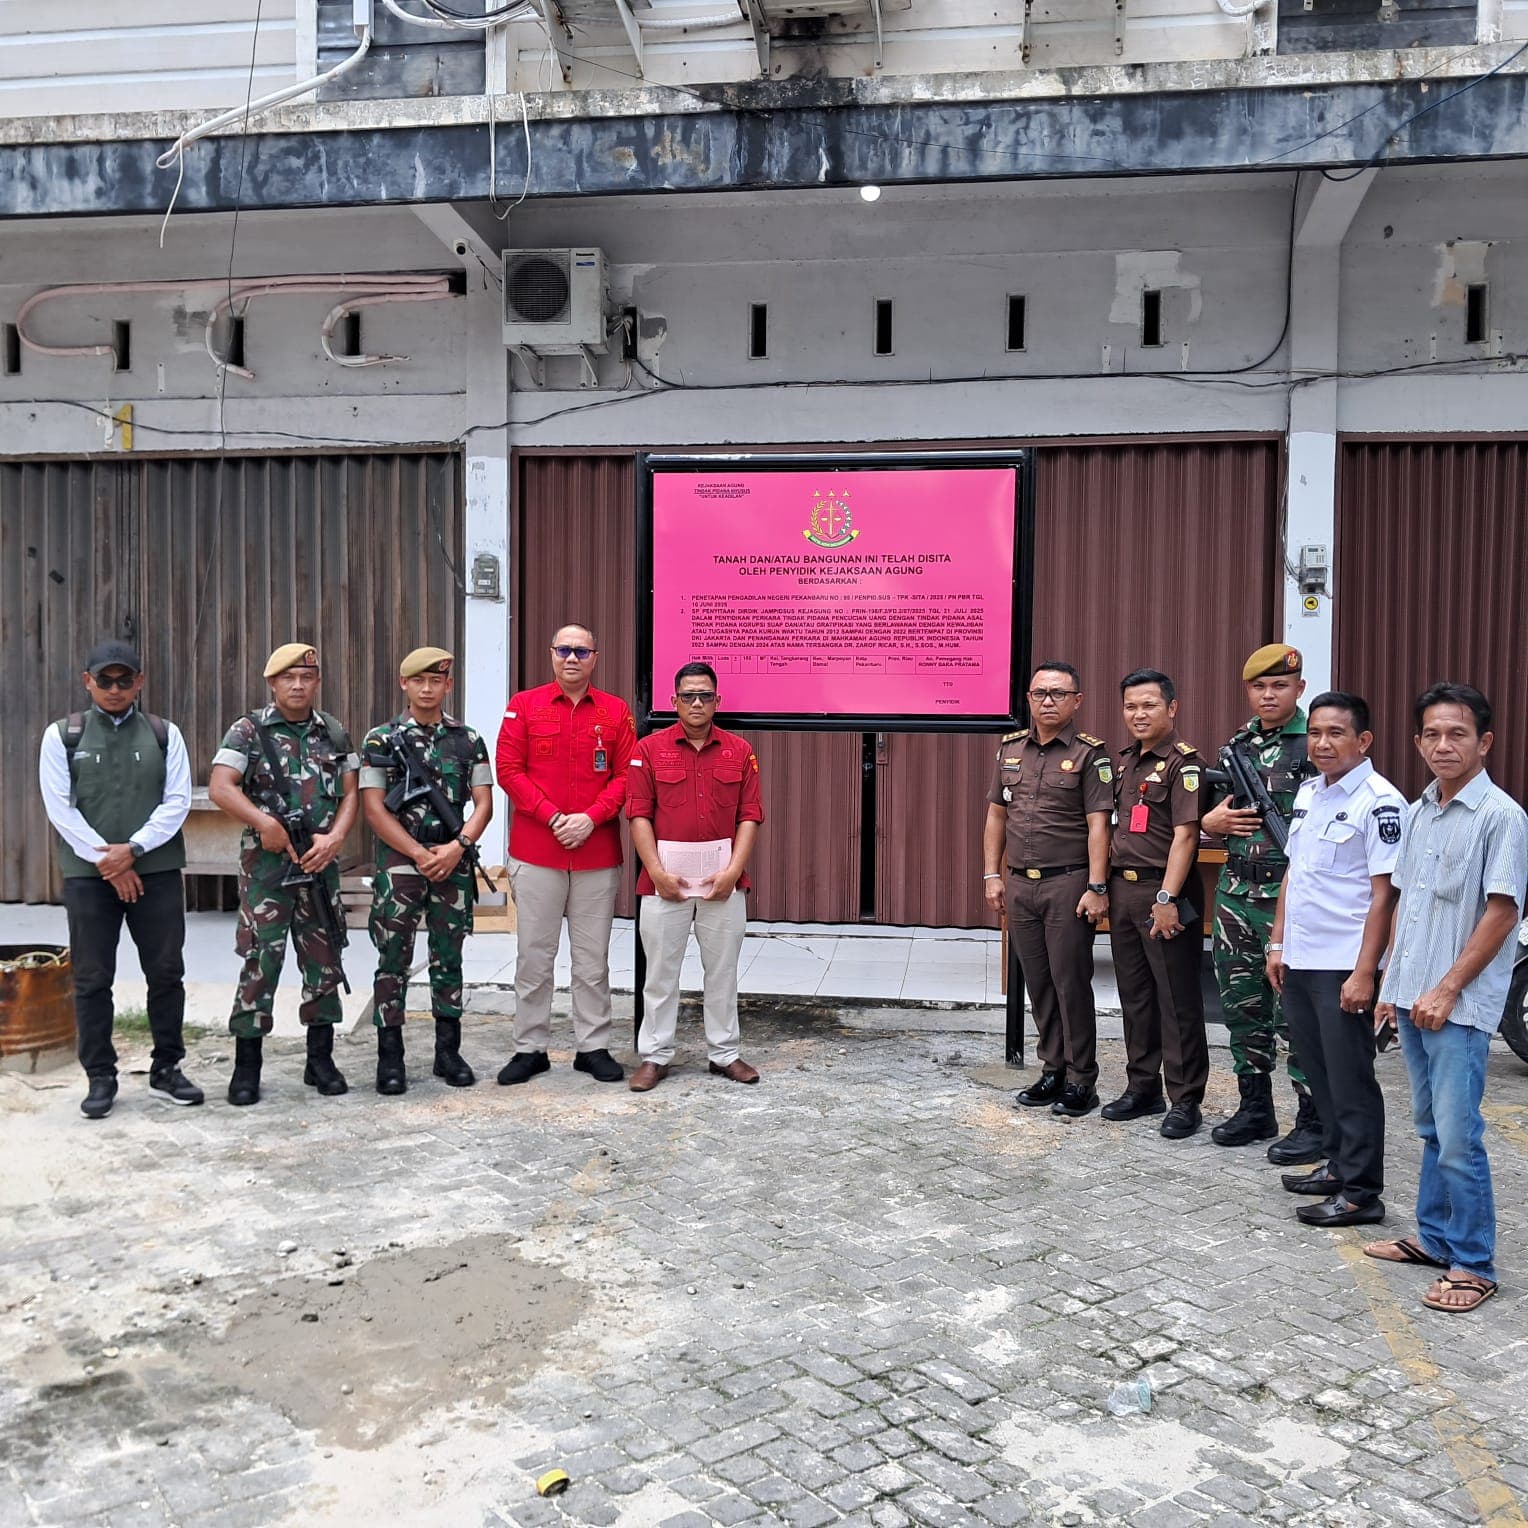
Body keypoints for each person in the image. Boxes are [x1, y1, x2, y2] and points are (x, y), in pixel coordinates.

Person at [1365, 683, 1527, 1314]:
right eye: (1431, 734)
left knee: (1460, 1136)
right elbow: (1404, 901)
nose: (1443, 745)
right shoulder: (1417, 811)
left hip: (1457, 1005)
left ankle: (1474, 1263)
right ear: (1417, 742)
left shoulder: (1501, 817)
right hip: (1412, 997)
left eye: (1457, 733)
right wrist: (1391, 984)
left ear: (1483, 742)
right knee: (1431, 1127)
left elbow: (1502, 911)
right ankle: (1433, 1239)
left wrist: (1448, 987)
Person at [39, 640, 201, 1119]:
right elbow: (58, 807)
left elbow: (177, 801)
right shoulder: (62, 736)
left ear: (140, 683)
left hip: (156, 871)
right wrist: (107, 861)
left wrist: (133, 851)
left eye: (124, 679)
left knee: (167, 973)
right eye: (104, 680)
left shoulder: (163, 734)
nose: (114, 688)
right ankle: (101, 1076)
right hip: (88, 877)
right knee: (91, 978)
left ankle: (167, 1068)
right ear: (87, 681)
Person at [1265, 692, 1406, 1227]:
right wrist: (1278, 943)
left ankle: (1362, 1193)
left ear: (1363, 740)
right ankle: (1338, 1166)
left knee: (1351, 1080)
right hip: (1301, 957)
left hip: (1345, 964)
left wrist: (1367, 972)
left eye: (1336, 734)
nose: (1322, 744)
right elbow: (1295, 874)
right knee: (1320, 1074)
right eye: (1316, 733)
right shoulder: (1309, 793)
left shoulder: (1380, 801)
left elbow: (1385, 895)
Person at [209, 643, 359, 1105]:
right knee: (261, 961)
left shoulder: (333, 732)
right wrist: (263, 823)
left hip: (319, 866)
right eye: (289, 677)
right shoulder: (249, 730)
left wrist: (335, 837)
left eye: (307, 677)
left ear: (317, 682)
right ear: (272, 683)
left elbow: (352, 793)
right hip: (267, 870)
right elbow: (220, 786)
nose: (298, 685)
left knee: (324, 959)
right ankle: (247, 1066)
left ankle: (320, 1061)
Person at [495, 623, 634, 1086]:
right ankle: (529, 1048)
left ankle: (592, 1047)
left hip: (596, 853)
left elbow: (626, 776)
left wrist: (591, 818)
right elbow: (509, 771)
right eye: (563, 650)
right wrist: (554, 817)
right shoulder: (524, 706)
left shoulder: (615, 712)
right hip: (537, 852)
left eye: (581, 651)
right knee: (534, 957)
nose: (572, 658)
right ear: (551, 654)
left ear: (595, 657)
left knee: (592, 961)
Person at [1200, 643, 1321, 1163]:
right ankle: (1255, 1109)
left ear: (1299, 688)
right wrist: (1211, 823)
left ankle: (1313, 1120)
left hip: (1288, 899)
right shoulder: (1238, 744)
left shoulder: (1316, 744)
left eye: (1279, 685)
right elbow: (1207, 811)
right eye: (1259, 686)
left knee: (1295, 1014)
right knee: (1242, 1007)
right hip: (1234, 895)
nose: (1269, 694)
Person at [359, 647, 494, 1095]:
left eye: (436, 681)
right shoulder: (380, 740)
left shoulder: (468, 739)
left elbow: (483, 804)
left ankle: (447, 1053)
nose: (427, 688)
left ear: (448, 685)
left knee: (448, 955)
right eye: (418, 680)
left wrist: (458, 847)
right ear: (404, 684)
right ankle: (390, 1057)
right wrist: (419, 853)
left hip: (453, 861)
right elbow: (375, 811)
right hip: (401, 864)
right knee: (392, 958)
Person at [627, 663, 765, 1093]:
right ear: (674, 702)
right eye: (688, 696)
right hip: (664, 883)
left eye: (705, 695)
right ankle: (655, 1055)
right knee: (660, 972)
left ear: (718, 701)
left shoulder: (740, 752)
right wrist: (655, 872)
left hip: (722, 883)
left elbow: (750, 815)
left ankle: (724, 1054)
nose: (697, 703)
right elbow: (638, 814)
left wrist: (734, 872)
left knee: (722, 971)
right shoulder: (648, 750)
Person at [983, 662, 1112, 1118]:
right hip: (1019, 884)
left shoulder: (1089, 755)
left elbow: (1100, 826)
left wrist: (1097, 886)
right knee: (1038, 981)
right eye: (1040, 693)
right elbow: (997, 815)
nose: (1048, 701)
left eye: (1059, 693)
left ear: (1077, 701)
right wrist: (991, 874)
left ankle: (1082, 1079)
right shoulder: (1010, 749)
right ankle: (1052, 1068)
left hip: (1068, 883)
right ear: (1029, 700)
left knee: (1070, 982)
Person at [1102, 668, 1209, 1139]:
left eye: (1148, 705)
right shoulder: (1124, 763)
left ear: (1172, 708)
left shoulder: (1185, 764)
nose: (1138, 714)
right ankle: (1141, 1087)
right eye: (1130, 706)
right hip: (1124, 890)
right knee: (1136, 996)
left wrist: (1167, 897)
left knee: (1176, 998)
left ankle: (1185, 1099)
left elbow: (1186, 837)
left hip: (1163, 892)